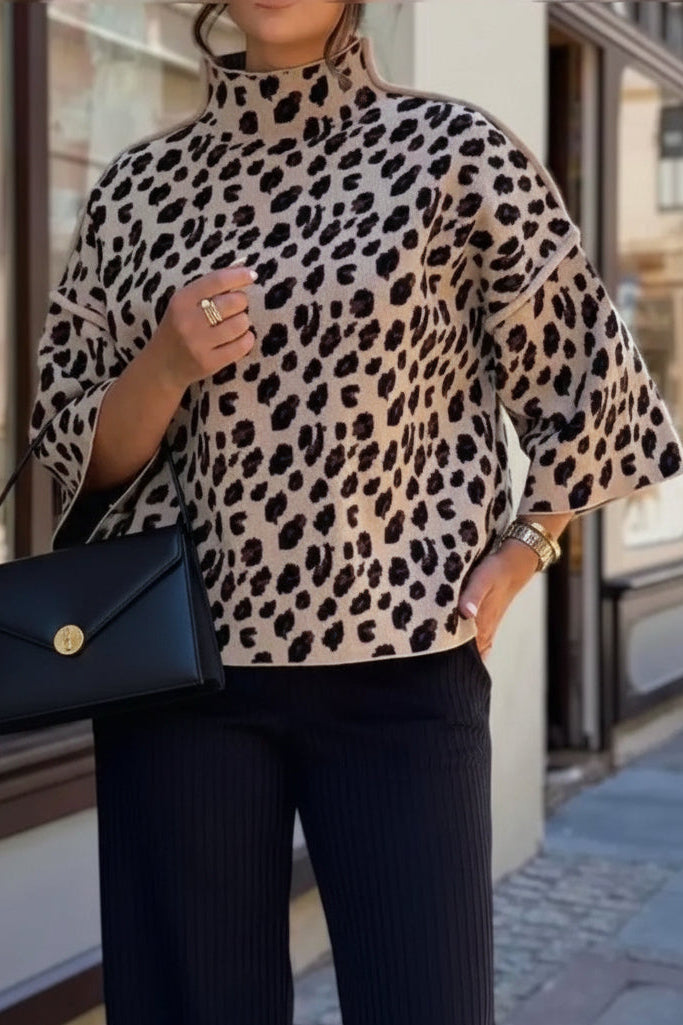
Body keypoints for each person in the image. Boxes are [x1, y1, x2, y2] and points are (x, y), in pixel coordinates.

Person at [28, 2, 683, 1023]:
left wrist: (523, 548)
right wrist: (164, 360)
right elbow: (79, 455)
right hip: (179, 675)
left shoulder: (452, 155)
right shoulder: (137, 190)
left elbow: (592, 390)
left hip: (399, 672)